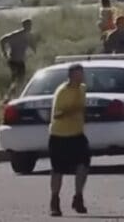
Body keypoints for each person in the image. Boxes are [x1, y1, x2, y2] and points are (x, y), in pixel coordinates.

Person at [48, 63, 90, 217]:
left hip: (77, 135)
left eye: (82, 74)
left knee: (83, 165)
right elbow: (57, 115)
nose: (81, 77)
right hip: (59, 136)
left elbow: (83, 109)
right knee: (58, 170)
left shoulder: (82, 89)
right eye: (78, 75)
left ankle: (78, 197)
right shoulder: (62, 92)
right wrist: (72, 110)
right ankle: (54, 201)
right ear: (71, 76)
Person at [0, 18, 35, 98]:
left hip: (21, 60)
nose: (29, 27)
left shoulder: (28, 35)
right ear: (24, 26)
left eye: (30, 25)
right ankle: (9, 96)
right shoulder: (16, 35)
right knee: (15, 79)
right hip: (13, 60)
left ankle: (17, 95)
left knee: (21, 79)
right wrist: (4, 52)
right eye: (27, 25)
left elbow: (31, 44)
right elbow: (2, 40)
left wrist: (34, 50)